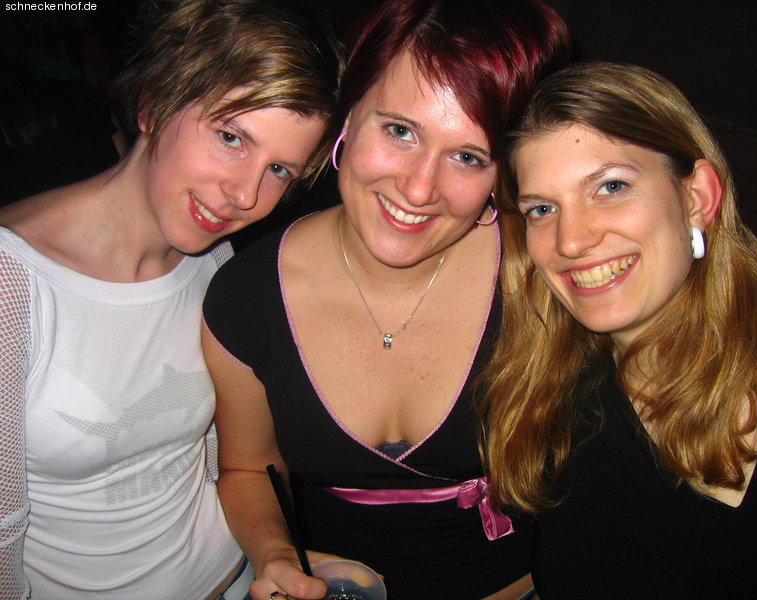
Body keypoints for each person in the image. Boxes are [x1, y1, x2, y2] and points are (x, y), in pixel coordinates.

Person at [201, 0, 570, 598]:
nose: (419, 189)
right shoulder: (246, 297)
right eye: (400, 130)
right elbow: (247, 467)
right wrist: (277, 556)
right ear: (348, 113)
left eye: (468, 156)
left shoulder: (545, 273)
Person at [0, 0, 342, 597]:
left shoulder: (216, 263)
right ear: (154, 103)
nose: (245, 195)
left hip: (234, 576)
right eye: (231, 138)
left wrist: (275, 556)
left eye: (279, 170)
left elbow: (224, 462)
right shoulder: (14, 285)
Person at [481, 61, 757, 599]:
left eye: (610, 186)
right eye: (542, 208)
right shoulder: (553, 397)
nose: (571, 241)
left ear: (697, 197)